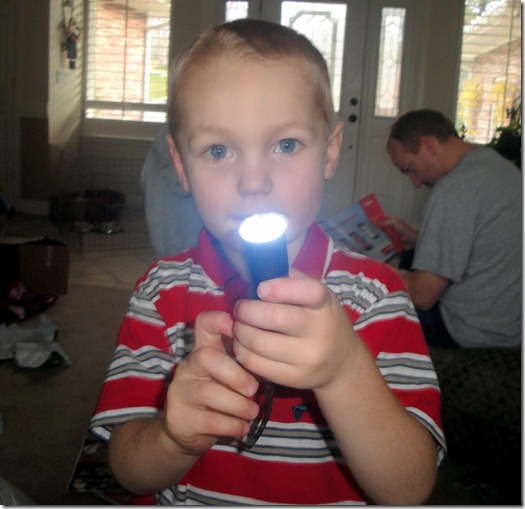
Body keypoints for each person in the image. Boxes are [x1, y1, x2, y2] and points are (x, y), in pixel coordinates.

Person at [89, 20, 445, 505]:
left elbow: (409, 489)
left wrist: (343, 371)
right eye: (218, 150)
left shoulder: (377, 296)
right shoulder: (160, 291)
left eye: (286, 145)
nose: (253, 181)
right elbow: (130, 471)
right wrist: (171, 438)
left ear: (330, 152)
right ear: (181, 167)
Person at [382, 109, 521, 348]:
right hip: (510, 320)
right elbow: (479, 240)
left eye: (409, 168)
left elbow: (423, 296)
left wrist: (379, 272)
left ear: (429, 145)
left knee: (370, 302)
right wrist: (416, 236)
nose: (416, 183)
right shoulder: (496, 165)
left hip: (476, 329)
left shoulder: (453, 189)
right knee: (412, 256)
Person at [140, 123, 203, 257]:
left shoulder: (159, 145)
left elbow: (143, 181)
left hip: (164, 241)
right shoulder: (195, 127)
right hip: (197, 247)